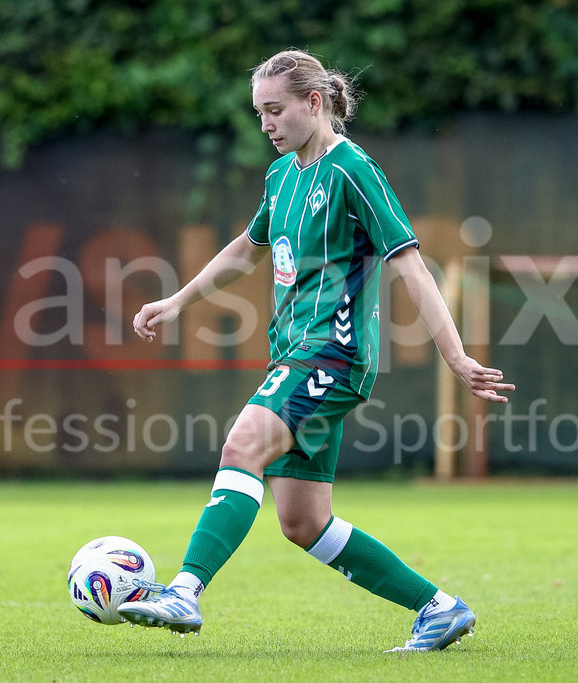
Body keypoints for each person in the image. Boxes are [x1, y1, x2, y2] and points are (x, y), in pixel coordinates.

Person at [121, 49, 515, 652]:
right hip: (295, 358)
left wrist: (456, 356)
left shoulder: (351, 168)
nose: (266, 126)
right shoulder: (282, 177)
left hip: (331, 355)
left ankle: (184, 590)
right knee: (302, 523)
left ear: (315, 101)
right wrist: (177, 301)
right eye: (259, 113)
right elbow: (245, 251)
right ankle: (439, 608)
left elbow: (411, 265)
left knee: (241, 443)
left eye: (275, 110)